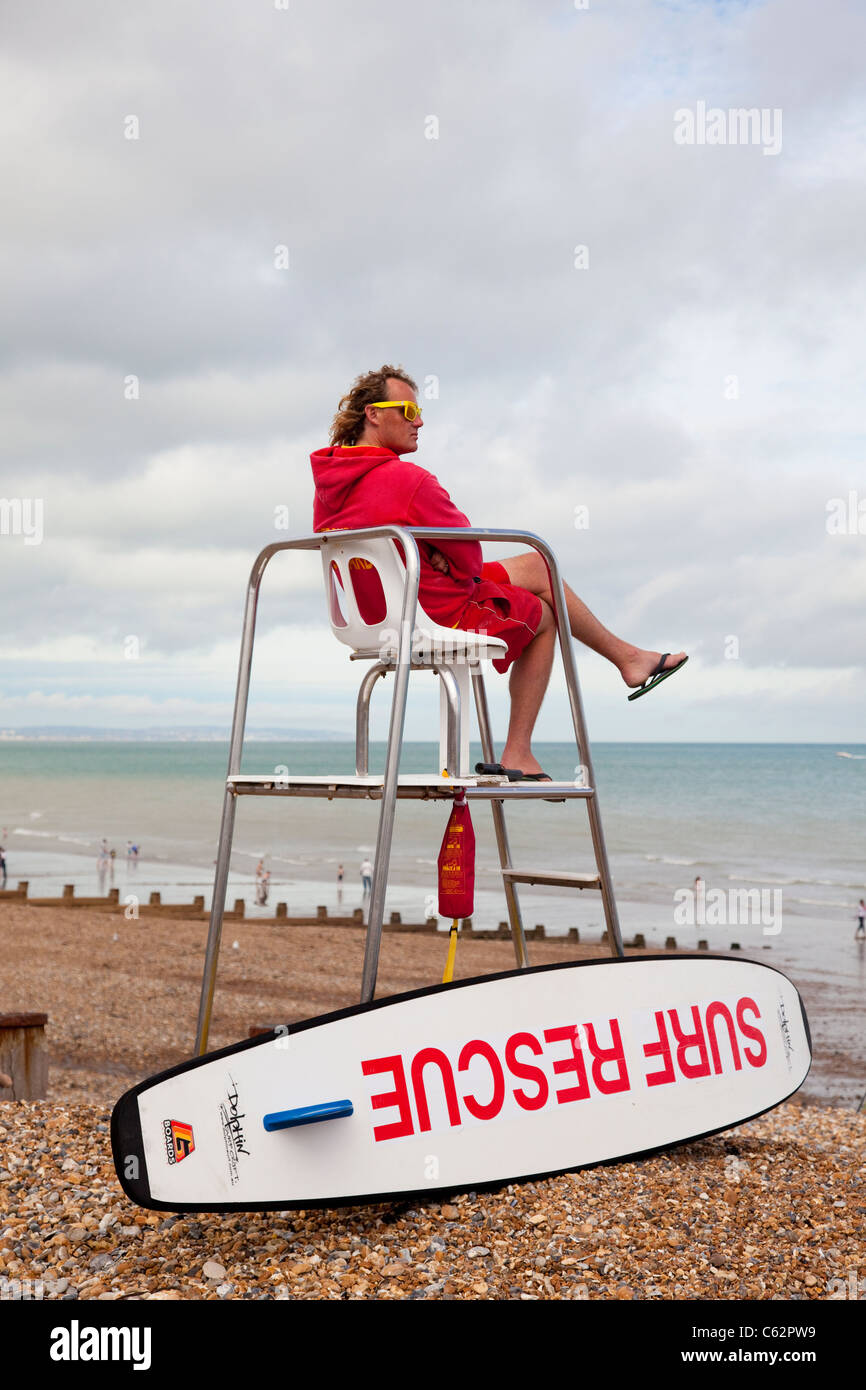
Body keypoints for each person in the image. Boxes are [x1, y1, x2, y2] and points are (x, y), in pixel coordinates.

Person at [311, 366, 687, 779]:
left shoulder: (329, 484)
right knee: (544, 616)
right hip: (433, 610)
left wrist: (435, 552)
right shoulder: (408, 479)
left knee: (537, 565)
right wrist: (442, 554)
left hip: (373, 616)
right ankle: (519, 752)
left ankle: (628, 658)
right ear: (374, 414)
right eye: (408, 409)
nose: (419, 420)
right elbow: (469, 558)